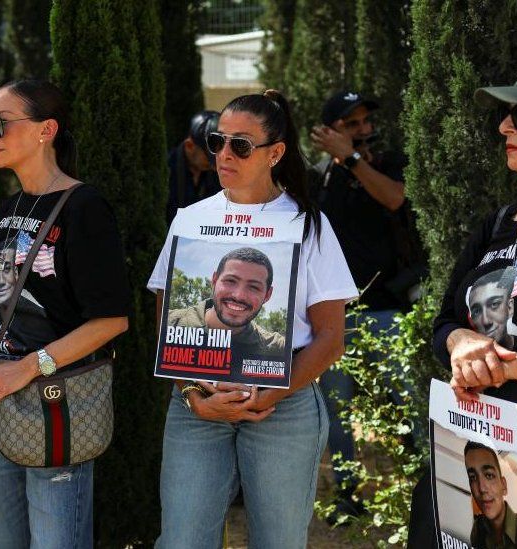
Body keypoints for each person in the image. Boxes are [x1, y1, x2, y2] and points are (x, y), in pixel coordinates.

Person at [149, 90, 357, 548]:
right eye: (217, 141)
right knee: (182, 540)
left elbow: (330, 337)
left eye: (240, 145)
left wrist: (270, 395)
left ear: (275, 153)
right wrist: (191, 392)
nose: (224, 154)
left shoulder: (308, 226)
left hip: (282, 409)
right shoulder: (188, 220)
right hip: (197, 407)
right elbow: (168, 323)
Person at [0, 79, 130, 548]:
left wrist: (28, 368)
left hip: (54, 398)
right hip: (0, 393)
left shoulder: (84, 208)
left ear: (46, 130)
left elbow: (112, 321)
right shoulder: (9, 210)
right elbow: (2, 306)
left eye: (0, 124)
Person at [425, 49, 517, 548]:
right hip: (475, 451)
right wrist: (461, 341)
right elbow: (442, 323)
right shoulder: (498, 223)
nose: (505, 126)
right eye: (505, 114)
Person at [308, 90, 419, 519]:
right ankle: (349, 493)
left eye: (365, 122)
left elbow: (394, 198)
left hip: (385, 306)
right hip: (334, 315)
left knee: (405, 399)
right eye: (350, 124)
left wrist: (352, 159)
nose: (363, 130)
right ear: (330, 132)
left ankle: (424, 485)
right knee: (336, 410)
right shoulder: (320, 178)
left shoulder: (385, 164)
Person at [167, 247, 286, 356]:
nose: (239, 296)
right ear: (214, 281)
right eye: (230, 281)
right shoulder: (167, 324)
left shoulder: (278, 349)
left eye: (253, 287)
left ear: (267, 295)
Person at [464, 442, 517, 549]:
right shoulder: (478, 530)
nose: (482, 489)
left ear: (503, 486)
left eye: (489, 475)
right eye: (473, 478)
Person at [167, 110, 222, 223]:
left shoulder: (215, 172)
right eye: (209, 156)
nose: (215, 167)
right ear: (189, 146)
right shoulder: (166, 171)